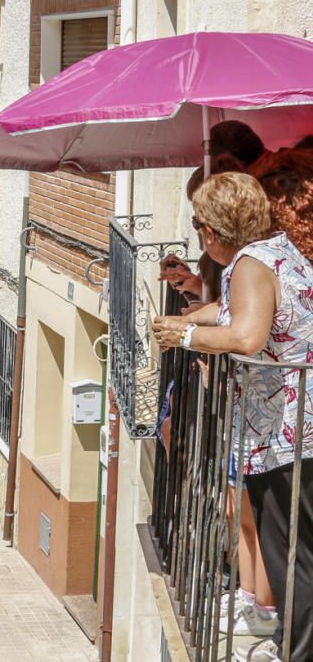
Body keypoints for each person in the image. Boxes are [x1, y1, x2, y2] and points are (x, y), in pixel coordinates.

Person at [152, 172, 313, 662]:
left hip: (283, 434)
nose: (199, 232)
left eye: (200, 223)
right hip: (299, 429)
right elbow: (235, 310)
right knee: (298, 550)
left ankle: (297, 651)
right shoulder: (278, 250)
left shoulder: (247, 262)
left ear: (214, 231)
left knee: (291, 557)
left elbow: (244, 335)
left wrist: (181, 338)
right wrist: (190, 318)